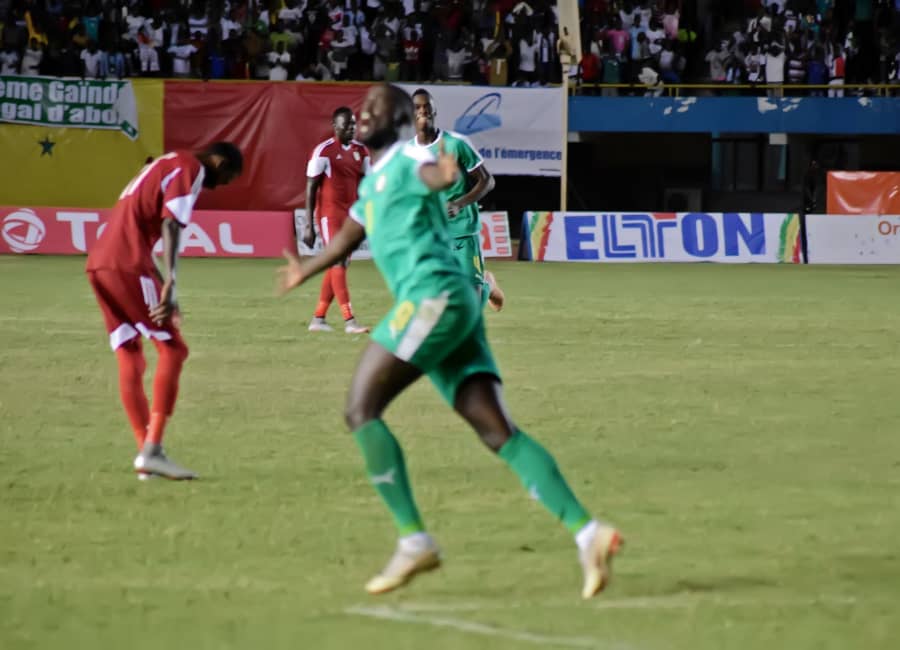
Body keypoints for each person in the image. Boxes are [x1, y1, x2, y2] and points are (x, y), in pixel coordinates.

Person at [276, 84, 621, 598]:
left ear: (395, 122)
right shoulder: (376, 183)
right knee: (497, 430)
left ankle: (414, 541)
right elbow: (349, 236)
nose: (365, 113)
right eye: (364, 106)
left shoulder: (405, 161)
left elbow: (431, 173)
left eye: (376, 108)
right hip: (456, 305)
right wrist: (306, 269)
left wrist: (443, 175)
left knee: (360, 409)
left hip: (431, 299)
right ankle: (589, 534)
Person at [86, 143, 243, 480]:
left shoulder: (167, 162)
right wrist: (171, 281)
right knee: (173, 349)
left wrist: (163, 283)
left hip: (100, 263)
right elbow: (172, 223)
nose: (223, 185)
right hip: (127, 263)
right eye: (228, 176)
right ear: (219, 161)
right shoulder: (192, 168)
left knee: (130, 355)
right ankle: (153, 450)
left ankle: (147, 456)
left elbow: (144, 229)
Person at [410, 88, 504, 311]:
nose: (423, 111)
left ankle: (487, 285)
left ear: (435, 111)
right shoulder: (407, 153)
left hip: (462, 230)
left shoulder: (457, 143)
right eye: (417, 107)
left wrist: (459, 203)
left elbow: (487, 181)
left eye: (427, 106)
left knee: (471, 304)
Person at [301, 107, 371, 334]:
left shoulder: (362, 152)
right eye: (346, 125)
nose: (351, 129)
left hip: (352, 217)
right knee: (338, 263)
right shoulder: (323, 151)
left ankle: (318, 319)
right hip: (329, 215)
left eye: (353, 125)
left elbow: (368, 187)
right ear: (335, 126)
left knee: (338, 267)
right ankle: (350, 320)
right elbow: (311, 188)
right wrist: (309, 224)